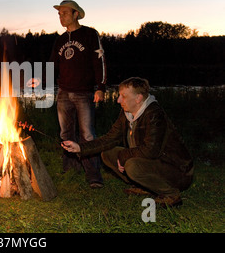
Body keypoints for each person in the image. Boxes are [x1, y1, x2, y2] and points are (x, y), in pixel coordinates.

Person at [61, 77, 194, 208]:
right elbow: (109, 138)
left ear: (138, 98)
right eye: (119, 95)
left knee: (131, 165)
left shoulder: (154, 115)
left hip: (177, 171)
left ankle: (171, 194)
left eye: (123, 96)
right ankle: (144, 186)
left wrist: (124, 155)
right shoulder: (127, 113)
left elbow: (150, 150)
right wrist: (80, 147)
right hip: (152, 162)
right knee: (107, 153)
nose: (118, 100)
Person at [50, 0, 107, 188]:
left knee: (87, 134)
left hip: (84, 93)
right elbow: (53, 65)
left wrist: (101, 87)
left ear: (76, 14)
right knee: (66, 133)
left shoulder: (90, 34)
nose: (61, 16)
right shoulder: (59, 40)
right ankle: (71, 168)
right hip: (64, 92)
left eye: (64, 13)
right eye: (59, 14)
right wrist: (41, 79)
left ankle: (93, 175)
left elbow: (100, 61)